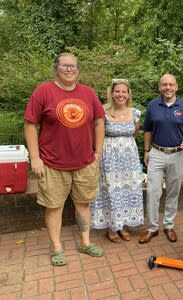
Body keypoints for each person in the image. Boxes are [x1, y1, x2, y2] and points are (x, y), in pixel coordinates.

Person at [24, 52, 105, 266]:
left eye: (73, 66)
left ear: (78, 70)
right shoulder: (43, 91)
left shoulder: (87, 93)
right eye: (64, 66)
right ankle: (56, 247)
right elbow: (30, 125)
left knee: (83, 204)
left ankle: (85, 242)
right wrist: (35, 158)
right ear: (56, 68)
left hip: (85, 162)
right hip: (52, 163)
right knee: (54, 206)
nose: (69, 70)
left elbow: (99, 122)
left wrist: (97, 153)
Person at [138, 74, 183, 244]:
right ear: (159, 87)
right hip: (157, 153)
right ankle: (152, 228)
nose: (168, 87)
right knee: (153, 192)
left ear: (177, 87)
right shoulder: (153, 106)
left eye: (171, 85)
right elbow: (147, 130)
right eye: (164, 85)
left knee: (173, 191)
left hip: (178, 154)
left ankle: (168, 225)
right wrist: (146, 151)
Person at [90, 79, 144, 243]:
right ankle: (112, 227)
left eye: (124, 92)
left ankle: (123, 225)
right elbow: (95, 135)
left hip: (129, 158)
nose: (120, 95)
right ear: (112, 93)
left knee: (128, 190)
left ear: (128, 94)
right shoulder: (102, 111)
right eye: (117, 91)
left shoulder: (135, 113)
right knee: (111, 190)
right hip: (109, 157)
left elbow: (135, 133)